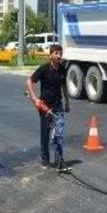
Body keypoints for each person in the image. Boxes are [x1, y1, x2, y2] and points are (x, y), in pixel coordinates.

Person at [25, 44, 70, 172]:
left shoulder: (62, 69)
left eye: (60, 53)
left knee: (59, 134)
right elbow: (29, 81)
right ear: (50, 55)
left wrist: (67, 102)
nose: (59, 56)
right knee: (45, 134)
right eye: (56, 53)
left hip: (58, 106)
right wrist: (35, 98)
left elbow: (64, 87)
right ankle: (45, 157)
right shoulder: (43, 69)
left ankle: (59, 160)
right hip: (44, 107)